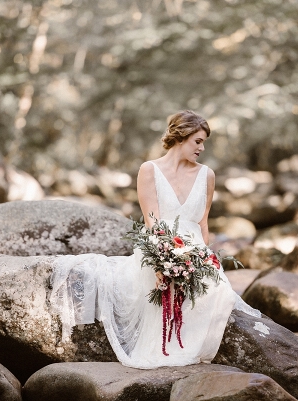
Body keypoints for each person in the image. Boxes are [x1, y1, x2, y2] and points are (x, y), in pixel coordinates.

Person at [49, 110, 259, 369]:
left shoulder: (208, 175)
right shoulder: (149, 170)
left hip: (196, 255)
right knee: (162, 289)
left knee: (220, 293)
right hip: (160, 249)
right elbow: (152, 222)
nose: (202, 148)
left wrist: (206, 260)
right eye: (198, 141)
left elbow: (203, 222)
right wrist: (161, 263)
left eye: (204, 142)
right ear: (181, 137)